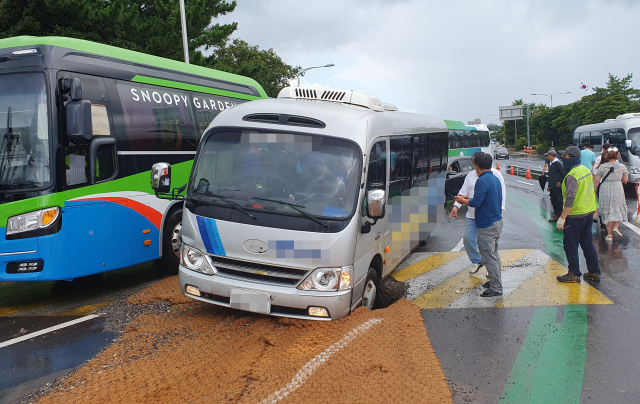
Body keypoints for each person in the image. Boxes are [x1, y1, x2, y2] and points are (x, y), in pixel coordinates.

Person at [454, 152, 504, 297]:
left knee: (489, 256)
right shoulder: (494, 178)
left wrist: (463, 201)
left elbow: (476, 203)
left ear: (476, 165)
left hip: (487, 224)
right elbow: (483, 198)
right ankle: (495, 281)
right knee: (494, 254)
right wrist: (466, 198)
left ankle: (496, 288)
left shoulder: (481, 180)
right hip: (497, 221)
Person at [556, 146, 601, 283]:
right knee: (587, 244)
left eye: (566, 157)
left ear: (574, 158)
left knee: (571, 245)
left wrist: (562, 217)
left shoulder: (572, 175)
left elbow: (570, 198)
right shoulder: (585, 170)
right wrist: (595, 209)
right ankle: (594, 272)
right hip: (587, 213)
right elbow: (592, 191)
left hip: (575, 216)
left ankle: (574, 273)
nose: (563, 159)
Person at [594, 147, 629, 242]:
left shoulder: (602, 167)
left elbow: (597, 181)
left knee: (607, 210)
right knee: (618, 208)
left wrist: (594, 190)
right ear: (617, 156)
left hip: (605, 188)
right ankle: (616, 228)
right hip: (618, 187)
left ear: (607, 156)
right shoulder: (622, 167)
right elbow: (626, 180)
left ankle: (609, 235)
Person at [544, 149, 566, 222]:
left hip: (557, 187)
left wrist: (560, 181)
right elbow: (551, 175)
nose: (547, 157)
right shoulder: (552, 163)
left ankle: (559, 215)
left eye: (548, 155)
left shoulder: (557, 163)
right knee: (553, 200)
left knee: (558, 201)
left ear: (552, 156)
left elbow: (563, 173)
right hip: (553, 186)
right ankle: (556, 215)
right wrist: (549, 185)